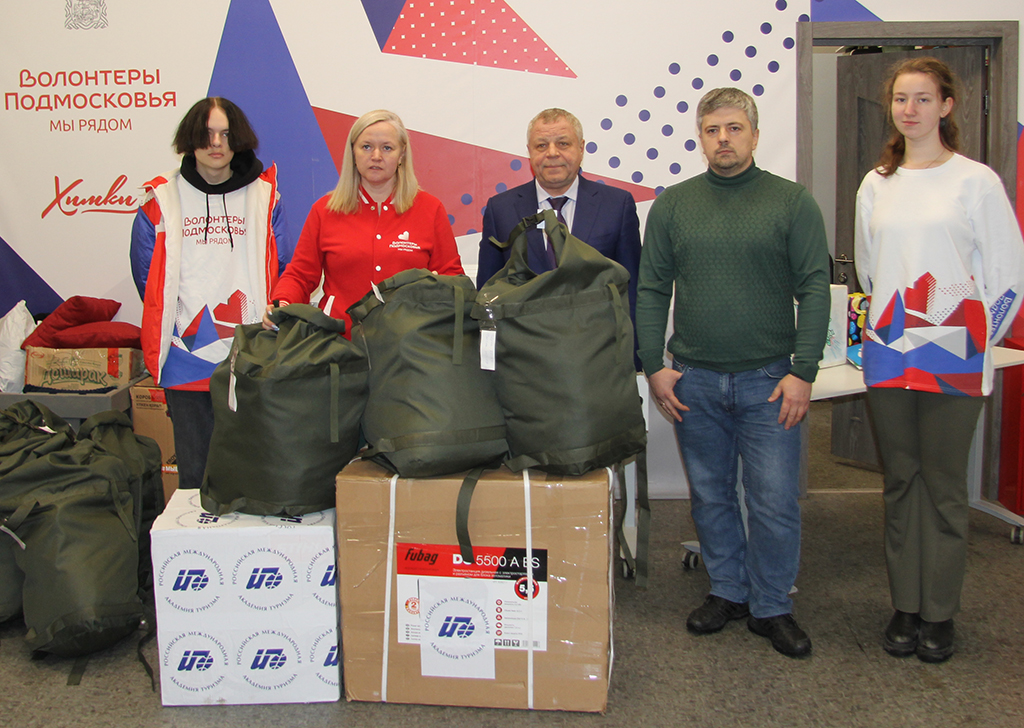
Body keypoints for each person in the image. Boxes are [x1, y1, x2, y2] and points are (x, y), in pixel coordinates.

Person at [636, 87, 831, 658]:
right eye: (712, 130)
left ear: (754, 135)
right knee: (711, 495)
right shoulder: (674, 206)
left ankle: (772, 605)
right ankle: (728, 590)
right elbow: (652, 289)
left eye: (734, 128)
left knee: (773, 501)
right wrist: (654, 366)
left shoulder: (791, 202)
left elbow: (814, 288)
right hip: (693, 380)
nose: (723, 139)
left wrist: (803, 370)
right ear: (701, 138)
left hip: (769, 381)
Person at [855, 57, 1024, 664]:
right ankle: (906, 605)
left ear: (946, 106)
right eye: (901, 99)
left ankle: (940, 613)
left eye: (923, 98)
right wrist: (892, 332)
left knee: (945, 486)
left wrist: (972, 342)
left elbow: (1009, 276)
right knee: (901, 481)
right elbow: (870, 270)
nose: (910, 109)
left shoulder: (976, 182)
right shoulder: (876, 184)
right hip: (890, 352)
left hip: (956, 352)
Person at [130, 97, 291, 490]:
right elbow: (147, 277)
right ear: (190, 139)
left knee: (254, 474)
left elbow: (283, 265)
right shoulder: (161, 197)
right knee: (196, 476)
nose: (216, 143)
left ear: (239, 139)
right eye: (206, 134)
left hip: (251, 356)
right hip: (184, 358)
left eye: (225, 134)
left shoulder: (265, 195)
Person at [267, 109, 463, 334]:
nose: (376, 156)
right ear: (353, 152)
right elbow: (300, 276)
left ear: (401, 155)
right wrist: (282, 303)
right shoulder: (325, 210)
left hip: (410, 345)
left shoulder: (430, 209)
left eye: (387, 148)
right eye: (367, 147)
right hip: (338, 342)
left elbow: (453, 280)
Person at [476, 108, 642, 365]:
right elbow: (487, 291)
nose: (552, 153)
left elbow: (632, 291)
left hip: (598, 359)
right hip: (523, 361)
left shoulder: (617, 205)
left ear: (581, 148)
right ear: (529, 152)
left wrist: (632, 360)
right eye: (541, 145)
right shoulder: (501, 209)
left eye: (563, 143)